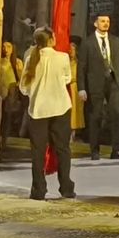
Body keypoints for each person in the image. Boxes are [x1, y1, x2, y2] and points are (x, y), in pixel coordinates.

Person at [20, 27, 75, 200]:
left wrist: (36, 92)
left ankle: (38, 190)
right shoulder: (63, 57)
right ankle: (66, 187)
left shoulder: (31, 59)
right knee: (63, 149)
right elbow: (67, 78)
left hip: (38, 109)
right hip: (60, 107)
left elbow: (24, 87)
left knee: (38, 151)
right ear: (51, 39)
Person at [79, 14, 119, 160]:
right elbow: (81, 68)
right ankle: (94, 150)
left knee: (116, 115)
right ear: (95, 23)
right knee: (95, 117)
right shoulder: (87, 43)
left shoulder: (115, 41)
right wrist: (81, 88)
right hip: (95, 84)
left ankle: (117, 149)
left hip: (114, 82)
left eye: (108, 21)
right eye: (102, 21)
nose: (106, 24)